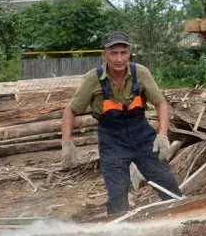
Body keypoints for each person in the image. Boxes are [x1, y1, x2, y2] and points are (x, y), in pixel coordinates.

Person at [61, 32, 179, 215]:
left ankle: (179, 221)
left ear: (129, 52)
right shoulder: (93, 79)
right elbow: (70, 111)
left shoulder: (141, 73)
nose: (119, 59)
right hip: (112, 140)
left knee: (167, 183)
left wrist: (162, 134)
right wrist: (67, 142)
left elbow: (161, 103)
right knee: (117, 195)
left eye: (123, 53)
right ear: (104, 55)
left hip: (142, 136)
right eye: (113, 53)